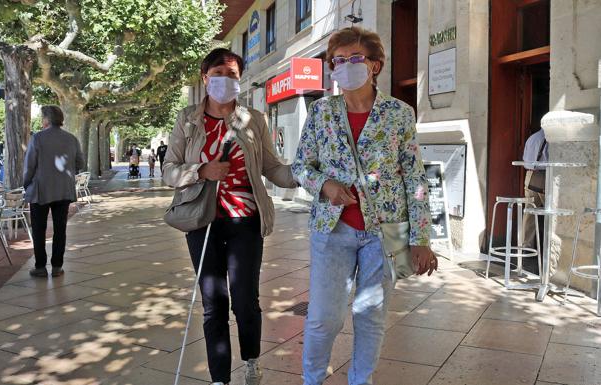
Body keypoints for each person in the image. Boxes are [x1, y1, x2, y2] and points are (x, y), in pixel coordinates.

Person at [291, 27, 437, 385]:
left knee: (371, 313)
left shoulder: (399, 113)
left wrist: (421, 238)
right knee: (325, 316)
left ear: (375, 65)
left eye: (355, 58)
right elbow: (300, 166)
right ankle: (312, 379)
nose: (345, 66)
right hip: (332, 229)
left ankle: (361, 380)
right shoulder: (322, 112)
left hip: (386, 232)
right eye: (338, 61)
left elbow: (415, 178)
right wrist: (324, 185)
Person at [163, 48, 296, 385]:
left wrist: (305, 176)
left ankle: (251, 361)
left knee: (245, 300)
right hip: (202, 220)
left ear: (240, 80)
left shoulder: (253, 119)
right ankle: (220, 377)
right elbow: (169, 171)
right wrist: (202, 170)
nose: (225, 80)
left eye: (232, 75)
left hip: (245, 221)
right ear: (205, 77)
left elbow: (272, 167)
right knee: (214, 304)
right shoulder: (187, 119)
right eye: (218, 73)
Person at [24, 105, 85, 278]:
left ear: (46, 119)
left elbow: (29, 167)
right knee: (60, 229)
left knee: (38, 229)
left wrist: (26, 184)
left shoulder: (37, 138)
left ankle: (40, 266)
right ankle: (57, 266)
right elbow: (80, 163)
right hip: (63, 190)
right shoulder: (71, 139)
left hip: (40, 190)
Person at [522, 127, 548, 274]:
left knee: (529, 213)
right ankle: (547, 247)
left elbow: (526, 159)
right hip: (544, 177)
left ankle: (526, 245)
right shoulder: (550, 139)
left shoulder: (532, 138)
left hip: (530, 175)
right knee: (550, 214)